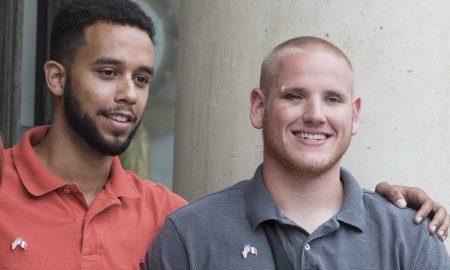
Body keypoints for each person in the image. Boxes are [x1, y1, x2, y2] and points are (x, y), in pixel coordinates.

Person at [148, 37, 449, 269]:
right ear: (258, 108)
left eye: (332, 99)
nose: (316, 115)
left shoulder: (410, 239)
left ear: (354, 116)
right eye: (295, 96)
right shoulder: (190, 235)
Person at [0, 1, 186, 269]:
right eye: (109, 72)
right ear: (56, 78)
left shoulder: (168, 215)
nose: (130, 94)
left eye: (141, 79)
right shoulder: (4, 186)